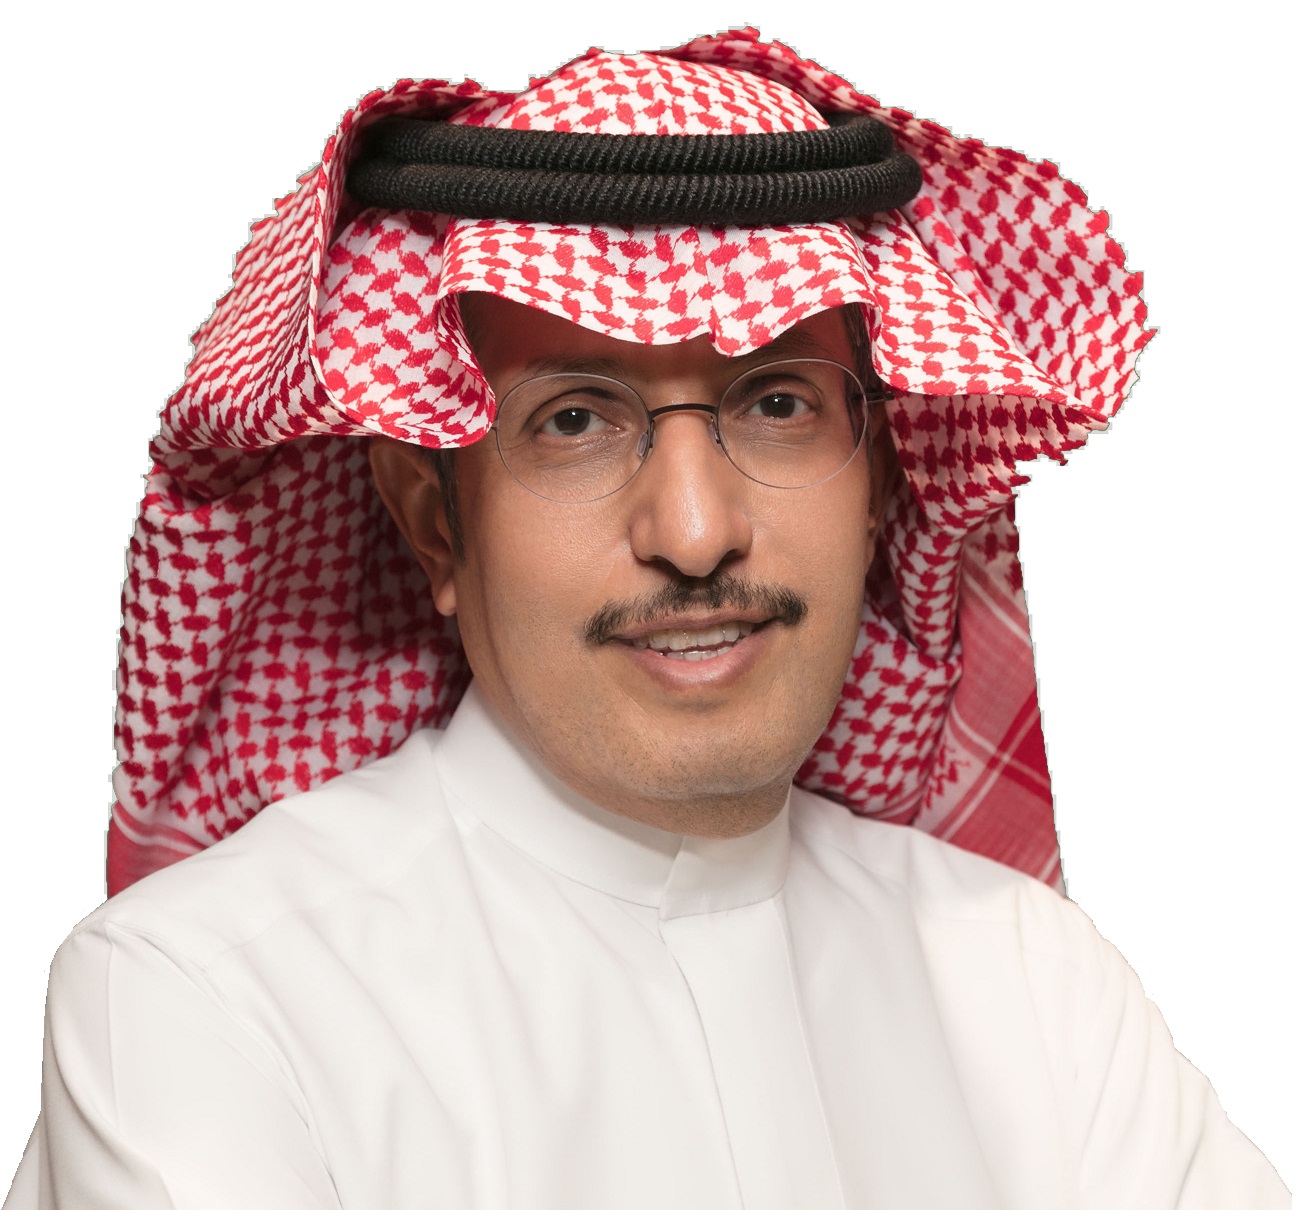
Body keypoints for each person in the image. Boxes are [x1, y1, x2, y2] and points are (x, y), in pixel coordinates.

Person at [4, 31, 1288, 1209]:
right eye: (573, 419)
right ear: (433, 520)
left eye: (778, 402)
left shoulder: (1032, 984)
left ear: (882, 482)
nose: (693, 530)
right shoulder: (207, 1000)